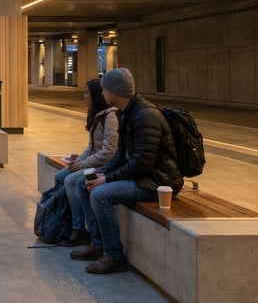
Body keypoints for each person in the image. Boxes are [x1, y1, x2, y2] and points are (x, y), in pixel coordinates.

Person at [70, 67, 182, 274]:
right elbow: (121, 154)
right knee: (82, 183)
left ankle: (114, 256)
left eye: (104, 90)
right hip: (142, 175)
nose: (101, 94)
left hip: (157, 181)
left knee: (100, 195)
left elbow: (142, 163)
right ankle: (97, 244)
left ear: (114, 92)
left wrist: (107, 179)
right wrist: (102, 173)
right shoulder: (126, 113)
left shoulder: (145, 116)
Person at [55, 78, 118, 247]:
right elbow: (91, 146)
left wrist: (82, 165)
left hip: (104, 164)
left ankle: (80, 229)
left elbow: (109, 152)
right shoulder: (96, 114)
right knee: (61, 176)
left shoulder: (110, 117)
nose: (83, 96)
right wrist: (78, 161)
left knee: (71, 181)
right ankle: (65, 221)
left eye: (86, 93)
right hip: (94, 161)